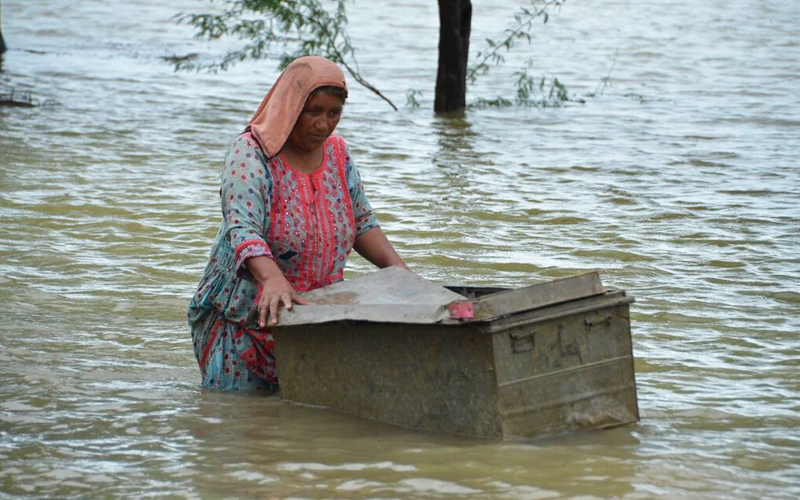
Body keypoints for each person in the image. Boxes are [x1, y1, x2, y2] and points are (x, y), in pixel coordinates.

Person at [188, 56, 406, 391]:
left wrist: (402, 276)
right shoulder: (251, 152)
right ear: (292, 106)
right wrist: (272, 280)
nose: (324, 124)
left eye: (334, 113)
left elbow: (361, 221)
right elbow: (242, 228)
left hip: (311, 322)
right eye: (314, 111)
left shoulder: (338, 153)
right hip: (243, 319)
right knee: (240, 425)